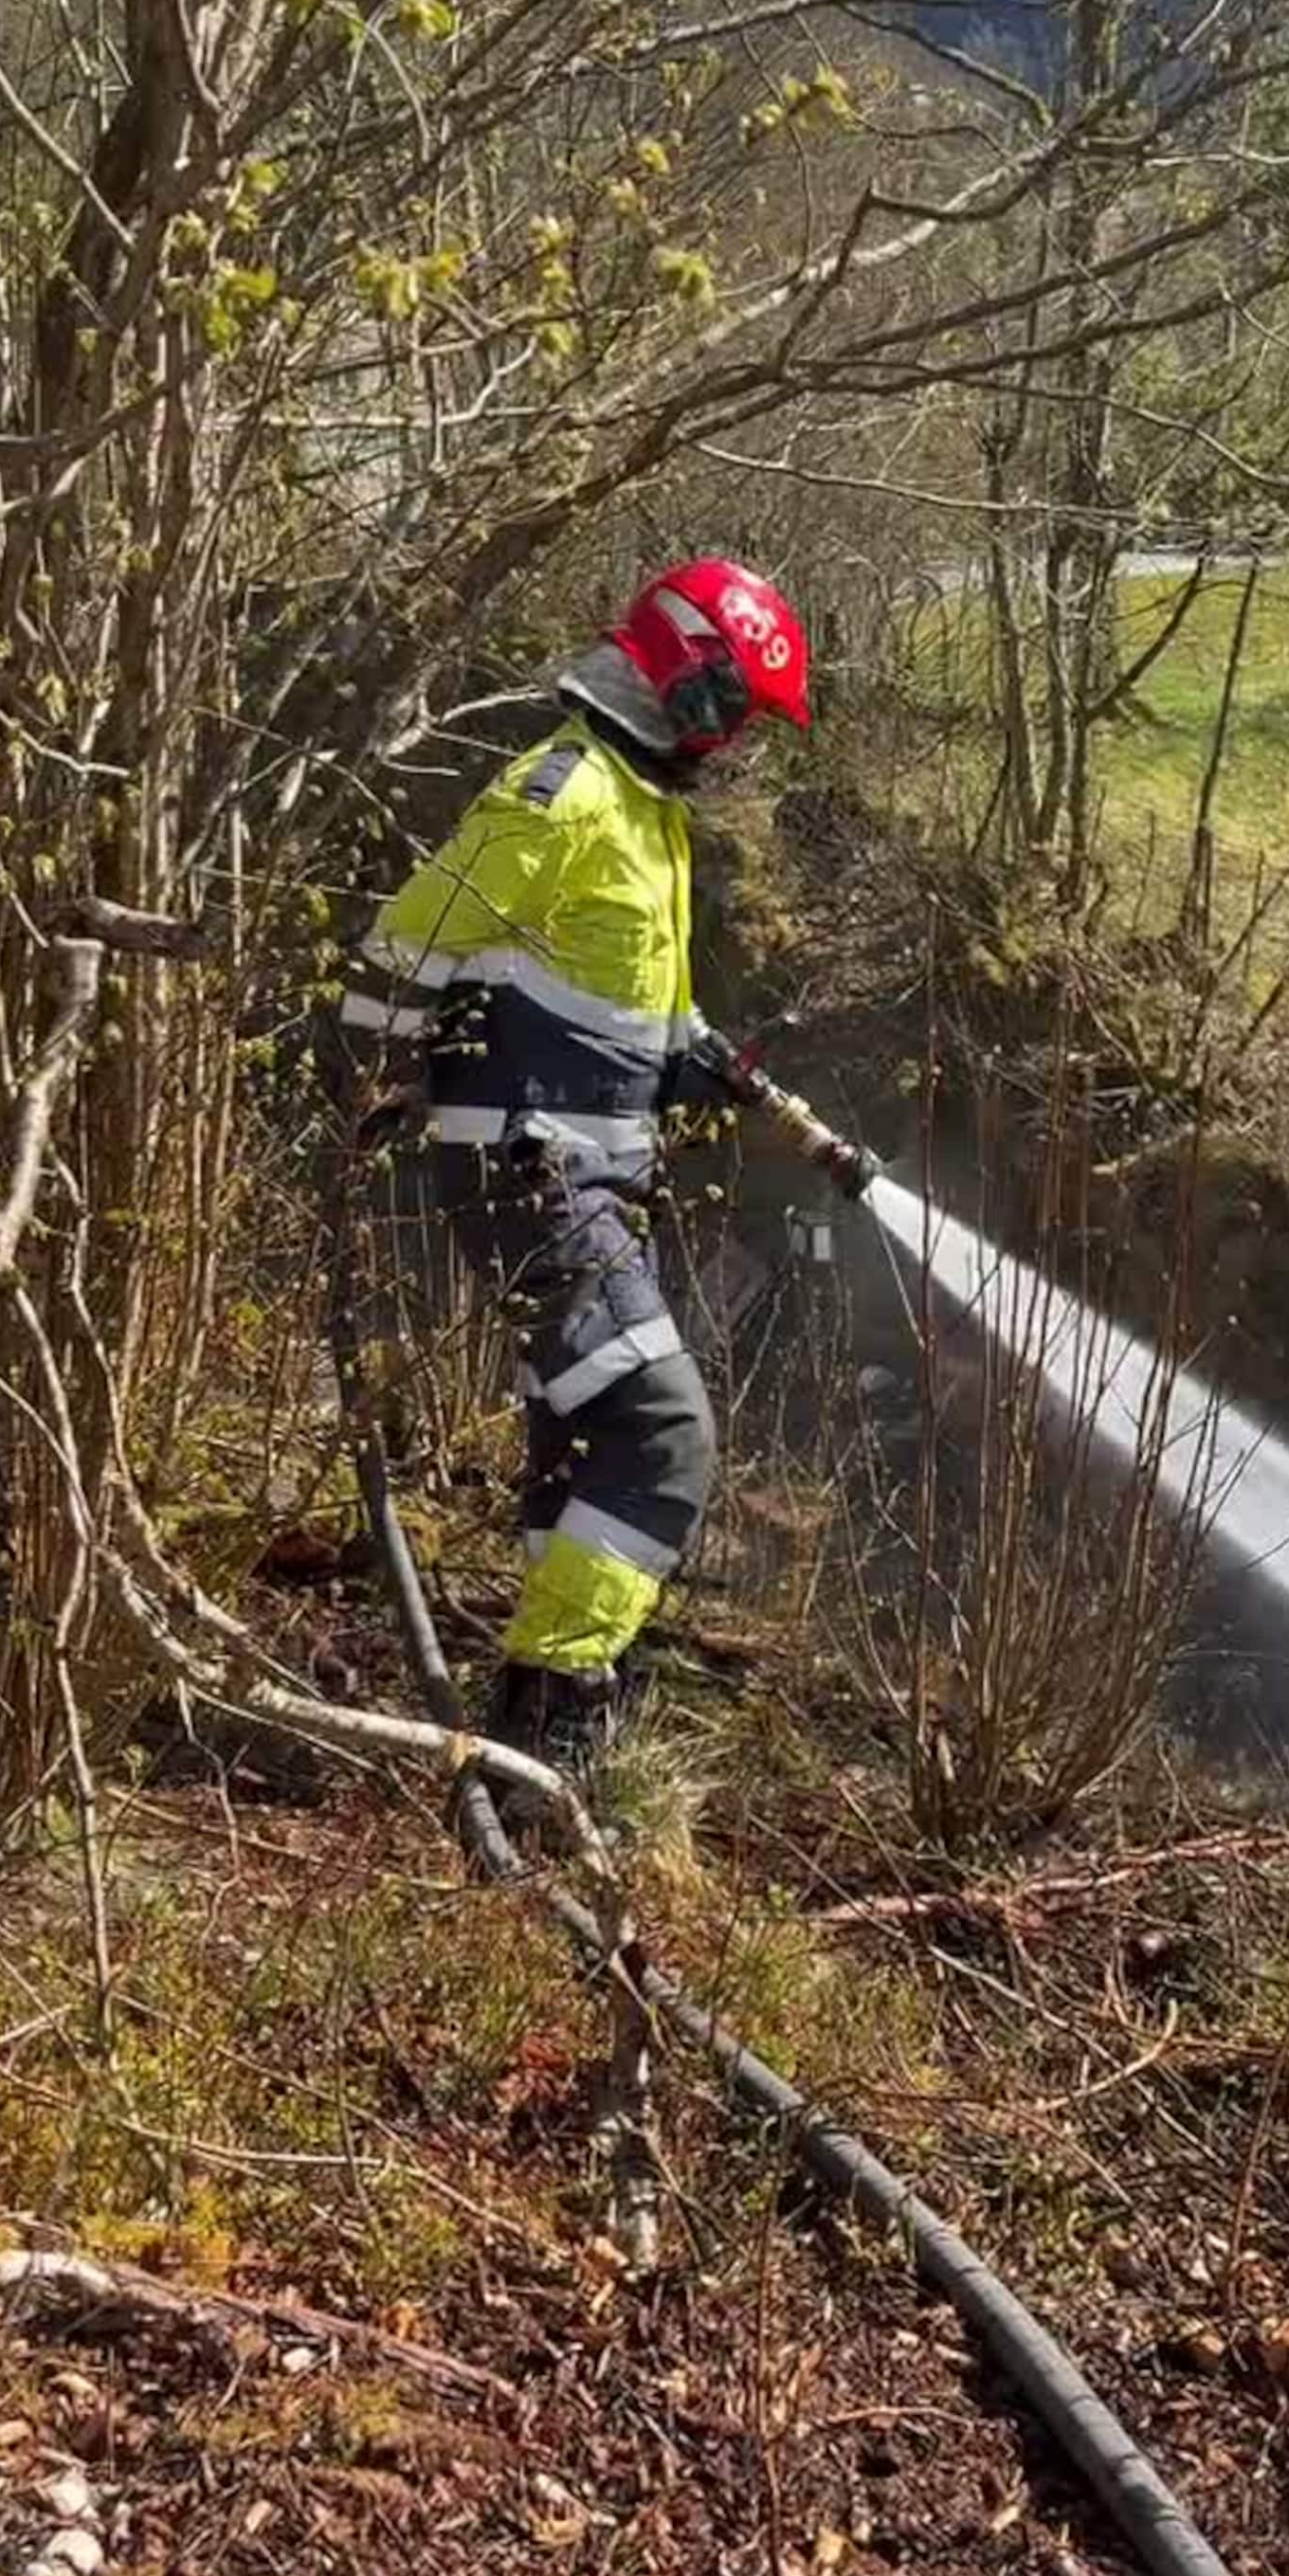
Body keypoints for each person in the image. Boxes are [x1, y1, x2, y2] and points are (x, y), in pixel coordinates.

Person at [340, 557, 833, 1804]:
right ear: (686, 671)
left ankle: (537, 1713)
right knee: (660, 1433)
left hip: (585, 1172)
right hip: (531, 1167)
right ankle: (554, 1720)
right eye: (735, 712)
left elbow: (613, 1009)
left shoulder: (644, 815)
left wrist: (695, 1060)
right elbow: (403, 946)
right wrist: (374, 1086)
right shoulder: (560, 793)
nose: (732, 744)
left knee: (577, 1436)